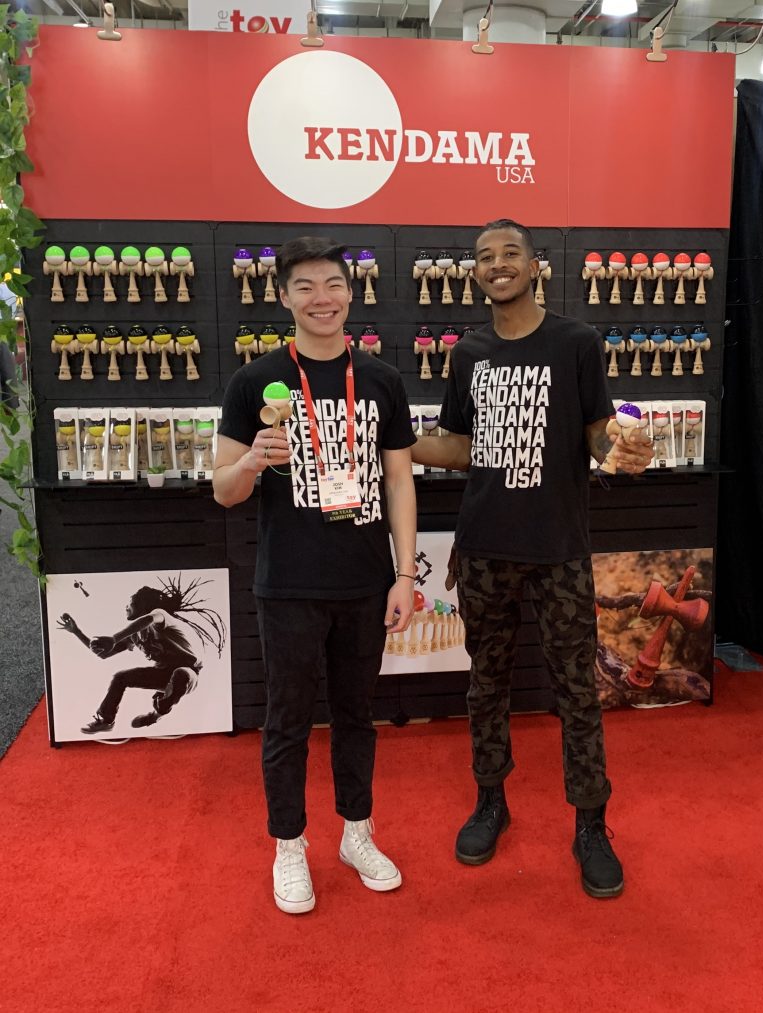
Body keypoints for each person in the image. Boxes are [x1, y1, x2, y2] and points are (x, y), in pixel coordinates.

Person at [412, 219, 654, 899]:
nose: (498, 264)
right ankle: (490, 801)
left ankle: (591, 823)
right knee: (485, 683)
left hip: (558, 550)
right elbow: (461, 447)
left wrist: (623, 450)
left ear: (534, 265)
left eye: (510, 253)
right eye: (486, 257)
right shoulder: (468, 354)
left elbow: (598, 435)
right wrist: (388, 443)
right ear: (475, 273)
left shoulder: (577, 342)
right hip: (483, 548)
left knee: (577, 689)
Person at [214, 236, 417, 915]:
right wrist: (252, 462)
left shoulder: (382, 379)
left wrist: (404, 574)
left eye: (332, 284)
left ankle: (357, 833)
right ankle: (289, 844)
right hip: (289, 583)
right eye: (304, 286)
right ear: (283, 297)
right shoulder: (254, 382)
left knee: (358, 715)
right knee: (288, 720)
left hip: (365, 580)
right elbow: (223, 490)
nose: (321, 298)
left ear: (350, 294)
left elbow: (398, 479)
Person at [57, 576, 226, 733]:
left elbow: (148, 620)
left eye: (130, 603)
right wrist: (77, 632)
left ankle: (156, 714)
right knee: (120, 678)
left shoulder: (160, 615)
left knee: (180, 673)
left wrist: (114, 638)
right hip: (161, 675)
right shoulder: (134, 635)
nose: (126, 607)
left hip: (188, 674)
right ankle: (106, 720)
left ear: (141, 605)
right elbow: (102, 654)